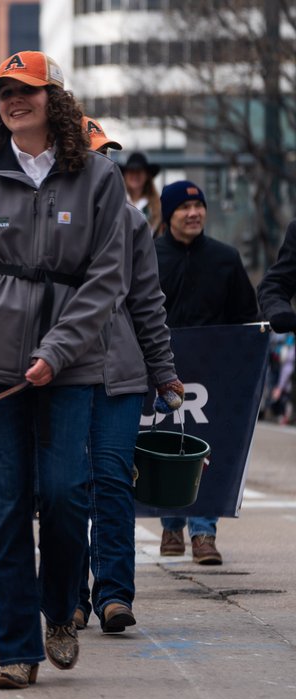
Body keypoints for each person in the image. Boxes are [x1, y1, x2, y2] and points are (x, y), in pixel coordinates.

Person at [0, 51, 128, 689]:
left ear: (55, 100)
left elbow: (109, 278)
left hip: (70, 367)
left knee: (68, 494)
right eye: (5, 93)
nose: (15, 100)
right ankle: (17, 647)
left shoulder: (97, 176)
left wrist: (59, 349)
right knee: (9, 508)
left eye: (28, 91)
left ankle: (62, 608)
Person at [74, 118, 183, 633]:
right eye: (95, 152)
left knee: (113, 483)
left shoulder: (132, 221)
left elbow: (148, 302)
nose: (105, 161)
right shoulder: (47, 216)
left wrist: (164, 373)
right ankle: (69, 595)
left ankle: (114, 594)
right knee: (66, 487)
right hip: (62, 376)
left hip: (119, 377)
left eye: (108, 153)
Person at [153, 180, 259, 566]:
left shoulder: (225, 259)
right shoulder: (146, 256)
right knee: (164, 447)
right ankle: (170, 525)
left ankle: (204, 533)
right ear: (168, 215)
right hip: (162, 373)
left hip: (213, 376)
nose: (193, 213)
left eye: (199, 207)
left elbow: (247, 319)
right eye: (184, 208)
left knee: (208, 451)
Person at [120, 152, 162, 234]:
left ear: (147, 175)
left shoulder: (157, 206)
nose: (135, 175)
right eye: (131, 171)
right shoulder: (117, 200)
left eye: (139, 171)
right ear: (125, 175)